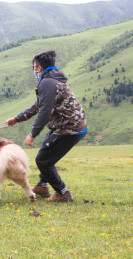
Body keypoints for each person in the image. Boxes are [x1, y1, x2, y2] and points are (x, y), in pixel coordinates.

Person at [5, 50, 88, 202]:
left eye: (34, 67)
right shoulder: (51, 80)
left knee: (43, 160)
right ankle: (42, 187)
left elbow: (44, 111)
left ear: (40, 67)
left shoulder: (47, 83)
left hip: (69, 129)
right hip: (66, 126)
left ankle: (63, 193)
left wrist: (32, 134)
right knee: (46, 151)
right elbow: (38, 106)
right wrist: (17, 119)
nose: (34, 70)